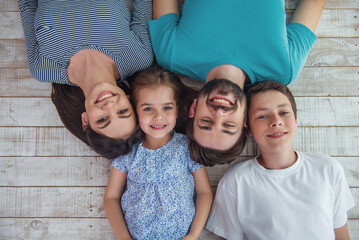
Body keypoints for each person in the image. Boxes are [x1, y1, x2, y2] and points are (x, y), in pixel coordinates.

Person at [148, 0, 326, 165]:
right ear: (245, 120)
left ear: (194, 109)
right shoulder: (284, 68)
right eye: (228, 125)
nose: (219, 114)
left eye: (206, 122)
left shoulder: (171, 55)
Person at [205, 81, 355, 239]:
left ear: (296, 120)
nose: (276, 121)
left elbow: (341, 234)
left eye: (284, 112)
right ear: (247, 127)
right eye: (262, 116)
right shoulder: (236, 181)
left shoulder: (328, 169)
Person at [18, 0, 154, 158]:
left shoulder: (44, 68)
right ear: (130, 101)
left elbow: (27, 5)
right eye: (123, 111)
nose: (110, 106)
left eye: (103, 119)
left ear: (85, 120)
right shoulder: (138, 57)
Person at [103, 65, 213, 239]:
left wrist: (193, 234)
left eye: (167, 108)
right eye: (148, 108)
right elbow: (111, 198)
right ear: (134, 108)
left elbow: (204, 192)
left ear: (177, 109)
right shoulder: (128, 152)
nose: (158, 116)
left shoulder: (186, 147)